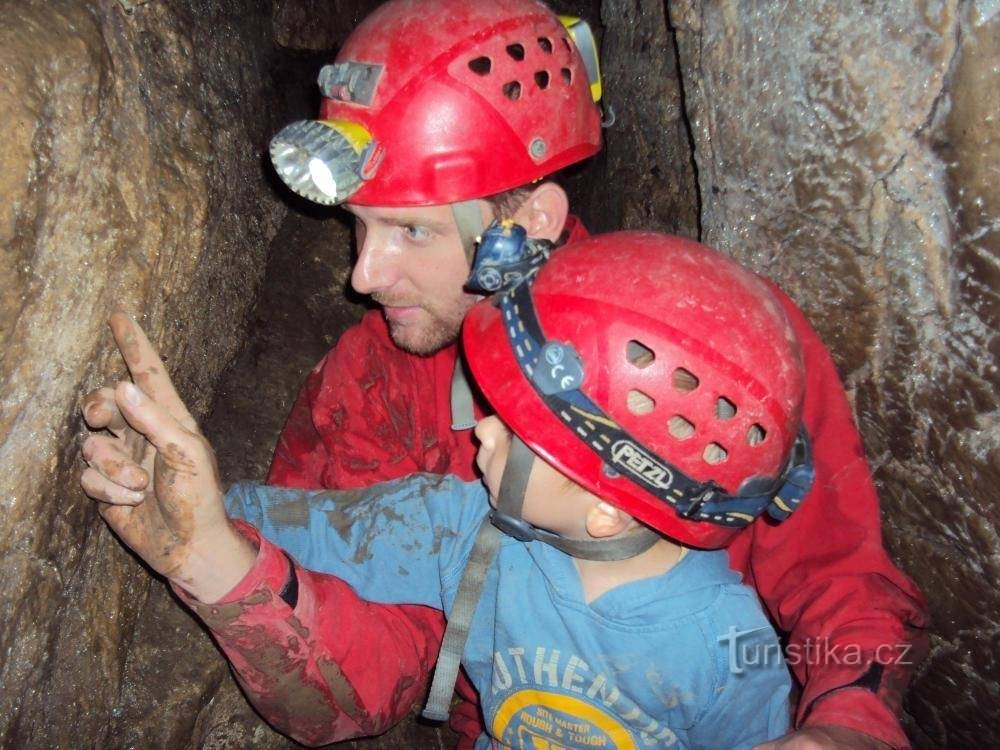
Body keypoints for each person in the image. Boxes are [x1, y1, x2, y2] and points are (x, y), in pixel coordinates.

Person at [81, 0, 927, 747]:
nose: (363, 277)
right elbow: (382, 672)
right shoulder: (375, 379)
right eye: (359, 226)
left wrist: (846, 724)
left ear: (532, 222)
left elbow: (838, 581)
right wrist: (215, 559)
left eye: (412, 231)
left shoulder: (718, 352)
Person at [84, 230, 806, 748]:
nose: (481, 431)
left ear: (607, 510)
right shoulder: (466, 530)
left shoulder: (726, 654)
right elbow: (327, 526)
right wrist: (203, 501)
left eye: (519, 431)